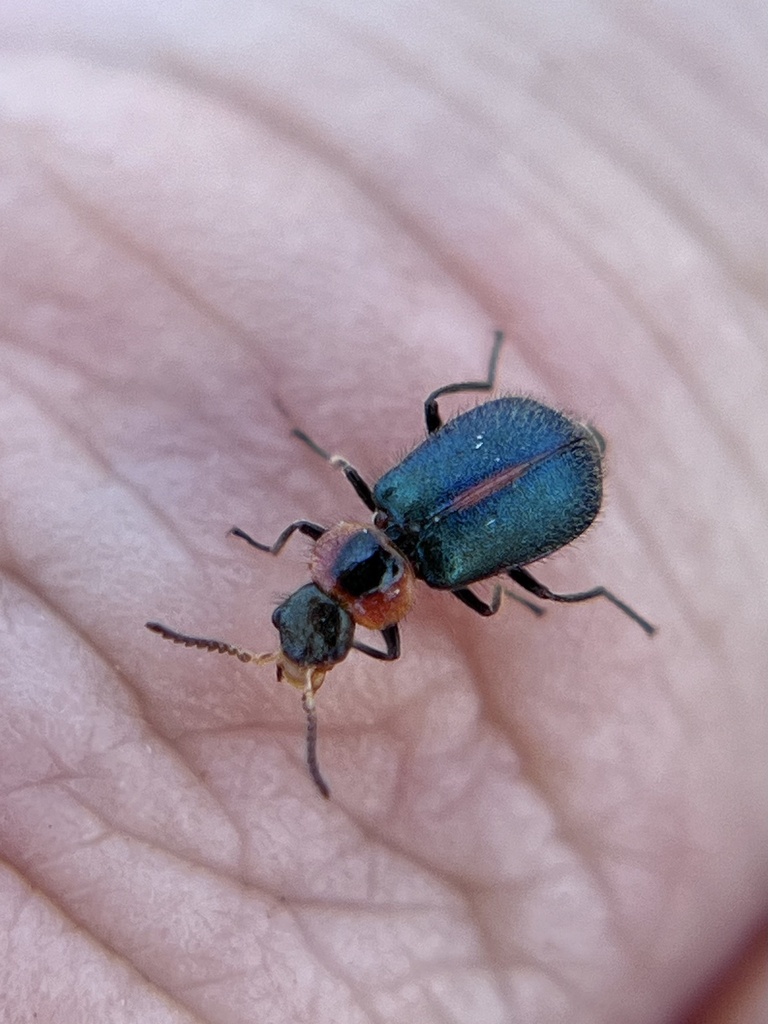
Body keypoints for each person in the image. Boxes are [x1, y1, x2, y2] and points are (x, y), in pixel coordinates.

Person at [0, 3, 765, 1021]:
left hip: (541, 470)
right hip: (532, 468)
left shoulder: (426, 557)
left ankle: (580, 576)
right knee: (451, 464)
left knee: (496, 563)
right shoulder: (397, 518)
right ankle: (568, 553)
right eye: (315, 625)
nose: (309, 603)